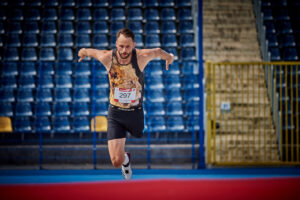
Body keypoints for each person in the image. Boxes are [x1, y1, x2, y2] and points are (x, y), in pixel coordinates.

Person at [78, 28, 174, 180]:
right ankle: (125, 160)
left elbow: (158, 51)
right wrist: (82, 51)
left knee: (138, 133)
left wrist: (169, 58)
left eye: (128, 46)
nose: (124, 50)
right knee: (116, 161)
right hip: (115, 113)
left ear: (134, 45)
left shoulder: (141, 57)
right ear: (116, 44)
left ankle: (127, 149)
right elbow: (91, 52)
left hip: (135, 112)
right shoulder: (107, 58)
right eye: (121, 46)